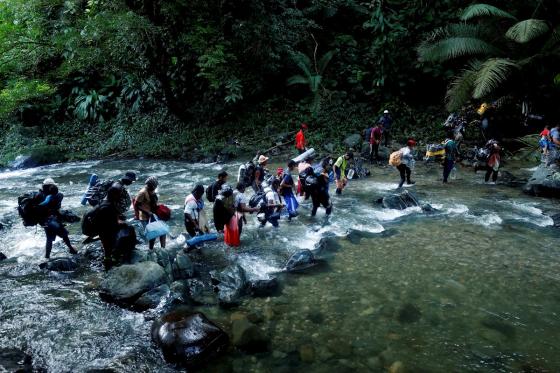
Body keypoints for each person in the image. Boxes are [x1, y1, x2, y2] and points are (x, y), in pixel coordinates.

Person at [37, 178, 78, 259]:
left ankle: (47, 256)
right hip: (54, 220)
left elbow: (42, 205)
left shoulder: (43, 196)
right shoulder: (59, 195)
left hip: (46, 221)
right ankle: (71, 249)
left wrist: (37, 206)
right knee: (64, 235)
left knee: (49, 239)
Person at [96, 183, 124, 269]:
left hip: (104, 230)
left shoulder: (106, 201)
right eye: (119, 194)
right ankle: (109, 266)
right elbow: (109, 222)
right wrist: (120, 223)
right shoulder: (107, 206)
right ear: (114, 194)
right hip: (106, 231)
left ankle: (109, 262)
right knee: (108, 249)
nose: (120, 196)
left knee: (108, 249)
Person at [134, 176, 166, 250]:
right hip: (145, 217)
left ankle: (163, 249)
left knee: (163, 231)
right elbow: (136, 205)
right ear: (150, 185)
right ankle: (150, 249)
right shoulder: (142, 193)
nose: (155, 187)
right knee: (153, 234)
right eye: (154, 186)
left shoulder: (152, 191)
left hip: (153, 215)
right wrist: (147, 212)